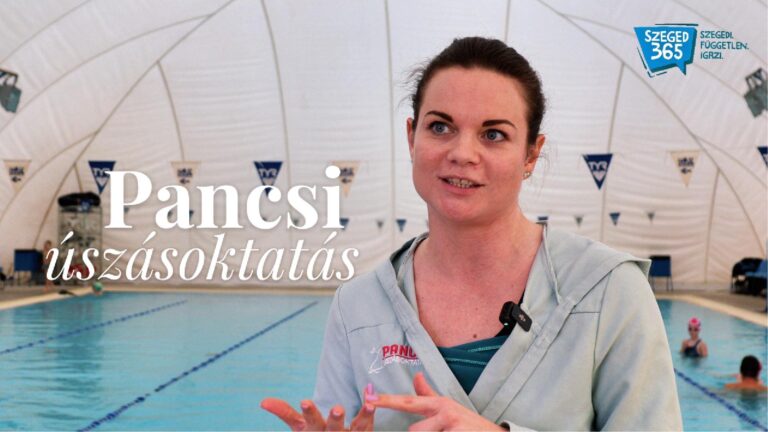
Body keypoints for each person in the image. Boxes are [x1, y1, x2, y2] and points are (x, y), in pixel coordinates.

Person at [261, 36, 682, 430]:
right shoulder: (357, 307)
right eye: (440, 127)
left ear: (531, 154)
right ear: (411, 138)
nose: (462, 153)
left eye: (493, 134)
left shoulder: (607, 292)